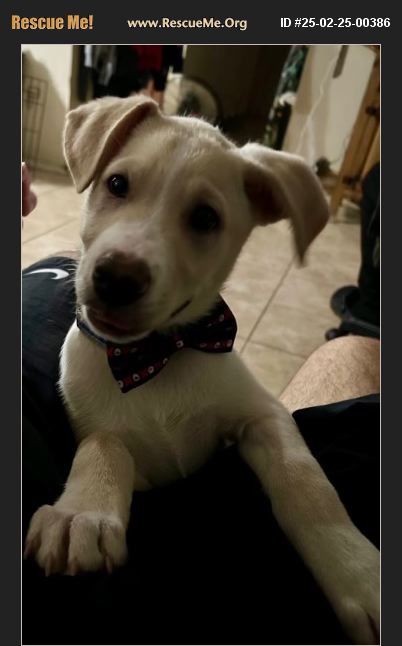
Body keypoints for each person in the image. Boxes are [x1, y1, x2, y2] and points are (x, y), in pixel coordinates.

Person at [22, 170, 379, 645]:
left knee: (354, 351)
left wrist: (328, 528)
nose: (127, 255)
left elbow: (262, 418)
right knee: (357, 351)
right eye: (119, 186)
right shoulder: (77, 369)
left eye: (203, 218)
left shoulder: (209, 358)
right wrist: (101, 461)